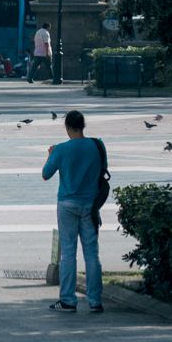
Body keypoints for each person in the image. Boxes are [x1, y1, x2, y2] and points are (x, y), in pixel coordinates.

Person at [41, 109, 105, 312]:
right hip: (91, 204)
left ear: (68, 127)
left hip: (67, 204)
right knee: (92, 254)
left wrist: (51, 155)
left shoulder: (61, 149)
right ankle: (95, 301)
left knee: (68, 253)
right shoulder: (97, 145)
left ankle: (68, 300)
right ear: (83, 125)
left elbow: (45, 174)